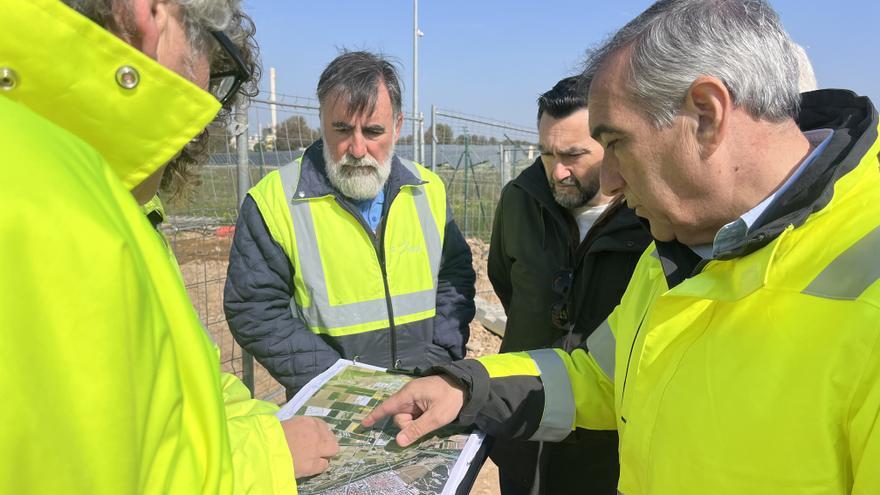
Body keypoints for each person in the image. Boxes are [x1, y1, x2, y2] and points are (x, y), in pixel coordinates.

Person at [364, 1, 880, 493]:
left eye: (615, 144)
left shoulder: (864, 279)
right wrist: (467, 387)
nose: (608, 180)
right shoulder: (680, 249)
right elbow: (599, 376)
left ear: (705, 114)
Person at [1, 0, 338, 492]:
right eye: (212, 55)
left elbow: (183, 383)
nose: (208, 99)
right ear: (149, 13)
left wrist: (262, 429)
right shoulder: (42, 204)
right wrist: (264, 454)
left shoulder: (111, 204)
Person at [224, 51, 476, 399]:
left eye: (373, 131)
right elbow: (254, 309)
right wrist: (335, 383)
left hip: (422, 392)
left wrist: (440, 359)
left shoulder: (428, 190)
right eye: (341, 129)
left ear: (398, 126)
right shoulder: (273, 202)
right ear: (322, 121)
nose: (357, 148)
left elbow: (454, 277)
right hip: (331, 407)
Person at [487, 76, 650, 494]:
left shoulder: (651, 218)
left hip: (606, 450)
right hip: (523, 432)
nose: (557, 171)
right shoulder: (519, 200)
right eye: (547, 154)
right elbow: (506, 284)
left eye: (575, 155)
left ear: (610, 144)